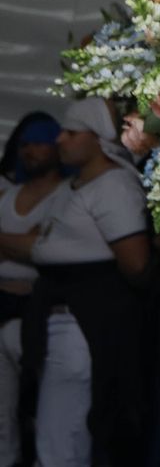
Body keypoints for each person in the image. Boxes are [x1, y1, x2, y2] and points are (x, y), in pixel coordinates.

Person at [0, 100, 152, 465]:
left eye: (70, 133)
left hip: (82, 321)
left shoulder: (113, 186)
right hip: (57, 315)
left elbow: (137, 265)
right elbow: (46, 242)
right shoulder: (80, 186)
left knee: (61, 443)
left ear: (97, 138)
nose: (60, 139)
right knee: (53, 436)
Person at [0, 113, 67, 465]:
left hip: (40, 314)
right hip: (1, 309)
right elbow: (31, 245)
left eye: (40, 142)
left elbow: (41, 249)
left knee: (46, 408)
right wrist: (24, 243)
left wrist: (28, 245)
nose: (30, 150)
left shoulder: (68, 195)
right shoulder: (6, 195)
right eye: (25, 144)